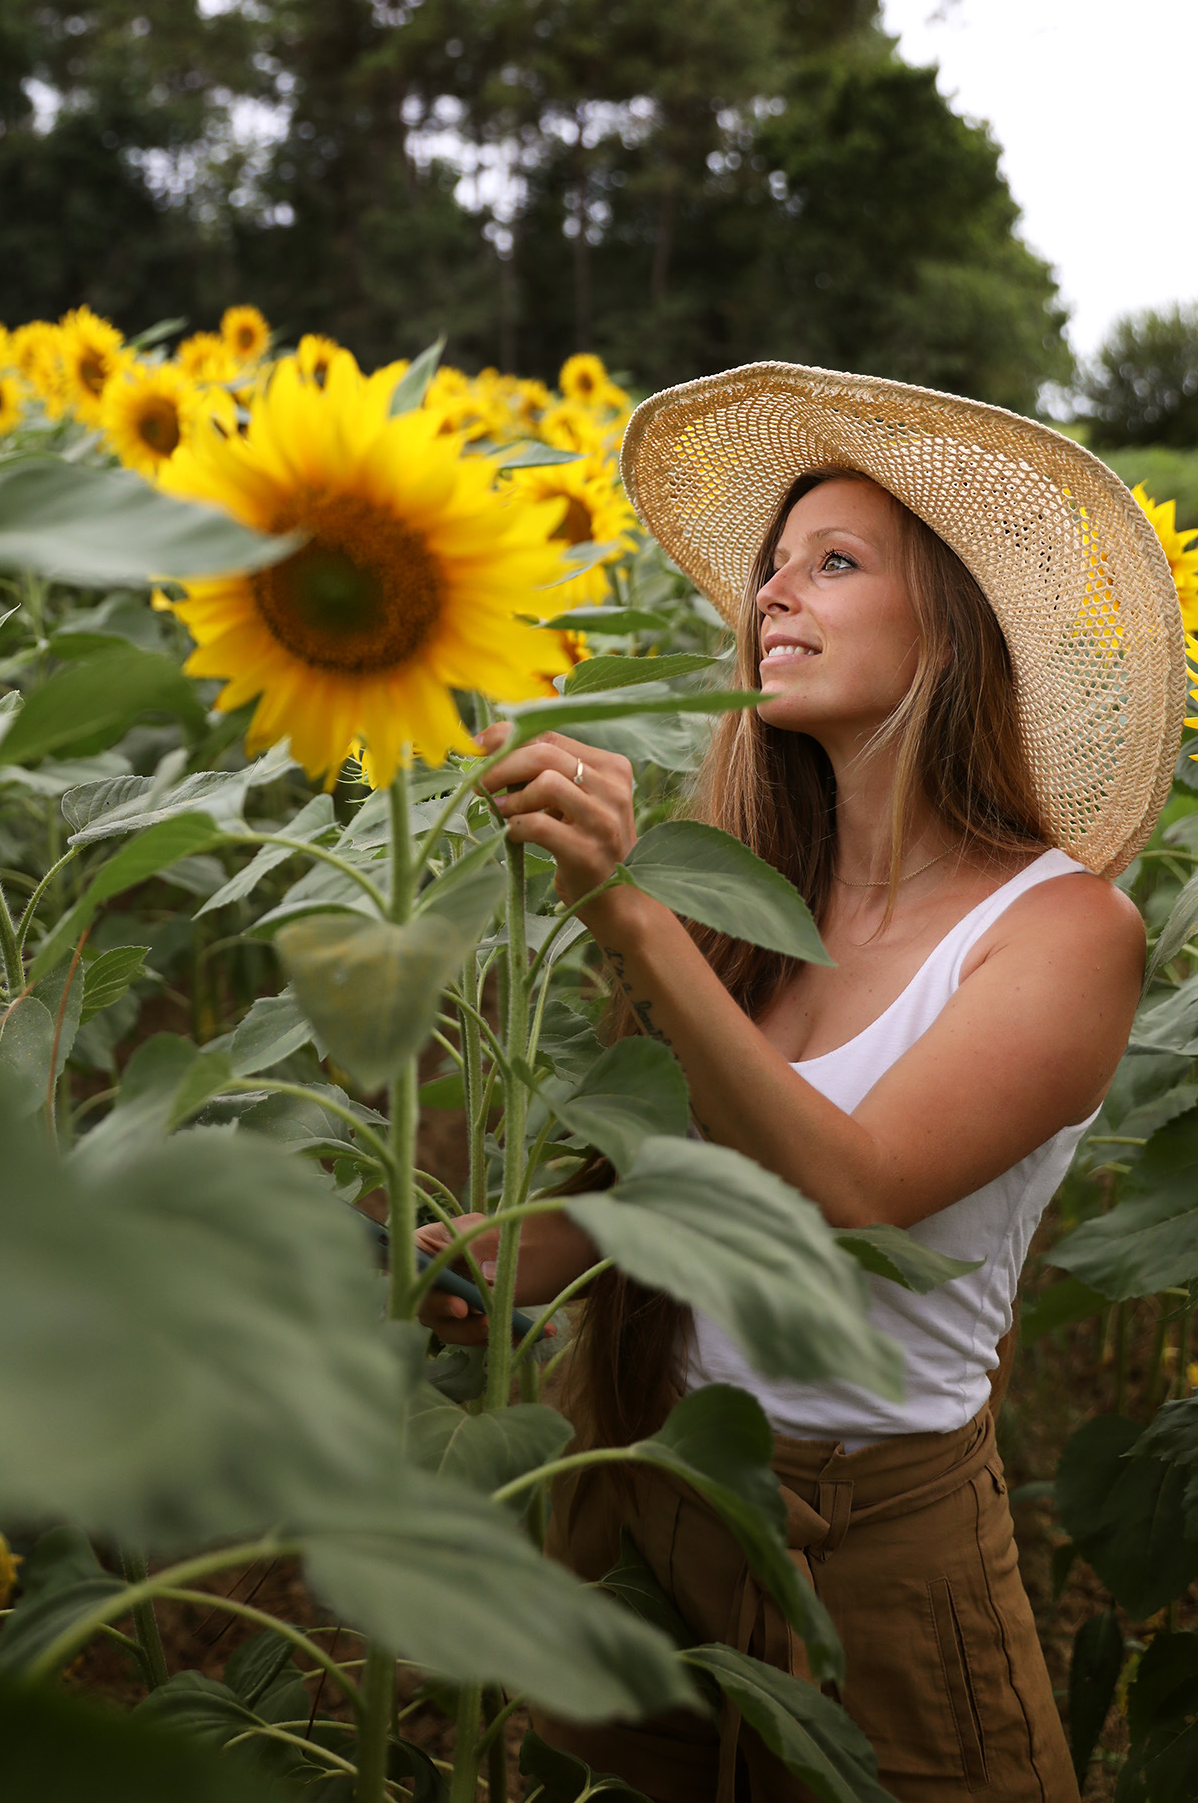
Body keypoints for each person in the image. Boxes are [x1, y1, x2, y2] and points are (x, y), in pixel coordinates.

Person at [416, 364, 1186, 1803]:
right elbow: (709, 1187)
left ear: (951, 628)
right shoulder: (757, 901)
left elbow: (853, 1183)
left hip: (873, 1554)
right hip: (654, 1492)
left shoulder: (1063, 928)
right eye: (769, 569)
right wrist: (531, 1253)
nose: (774, 594)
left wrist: (627, 911)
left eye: (834, 563)